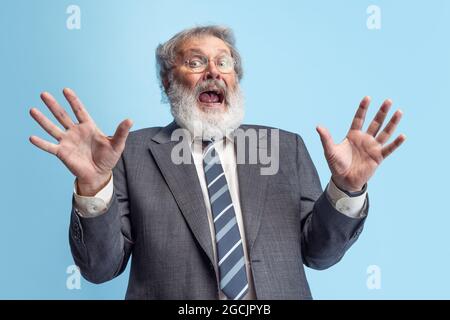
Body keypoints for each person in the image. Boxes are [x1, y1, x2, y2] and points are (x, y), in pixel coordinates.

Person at [29, 25, 405, 300]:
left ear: (235, 79)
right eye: (196, 62)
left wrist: (346, 188)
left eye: (223, 62)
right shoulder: (132, 153)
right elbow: (99, 268)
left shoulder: (284, 148)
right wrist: (94, 186)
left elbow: (319, 254)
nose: (213, 71)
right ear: (167, 82)